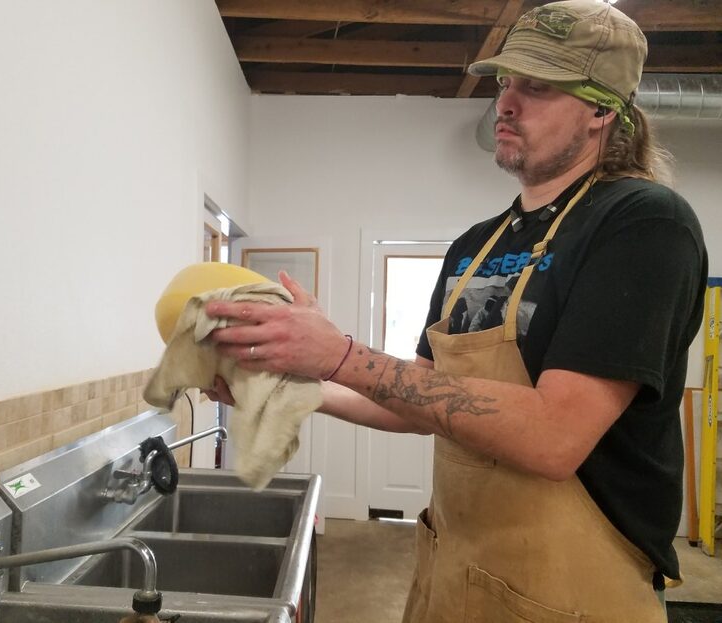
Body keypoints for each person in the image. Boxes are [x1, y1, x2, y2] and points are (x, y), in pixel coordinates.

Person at [204, 1, 708, 621]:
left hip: (572, 588)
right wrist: (290, 386)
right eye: (506, 82)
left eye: (538, 86)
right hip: (455, 568)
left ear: (603, 108)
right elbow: (422, 401)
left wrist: (338, 354)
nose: (506, 102)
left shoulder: (643, 224)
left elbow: (555, 436)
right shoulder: (477, 245)